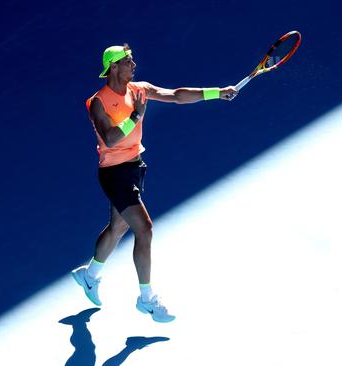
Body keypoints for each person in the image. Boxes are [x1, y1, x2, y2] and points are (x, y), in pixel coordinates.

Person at [72, 43, 238, 323]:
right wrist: (136, 115)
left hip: (135, 166)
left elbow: (175, 95)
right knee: (144, 230)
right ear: (114, 66)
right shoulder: (98, 101)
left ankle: (89, 275)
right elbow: (111, 138)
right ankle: (146, 299)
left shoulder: (140, 89)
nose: (134, 65)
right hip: (114, 173)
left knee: (118, 227)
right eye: (128, 60)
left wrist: (217, 93)